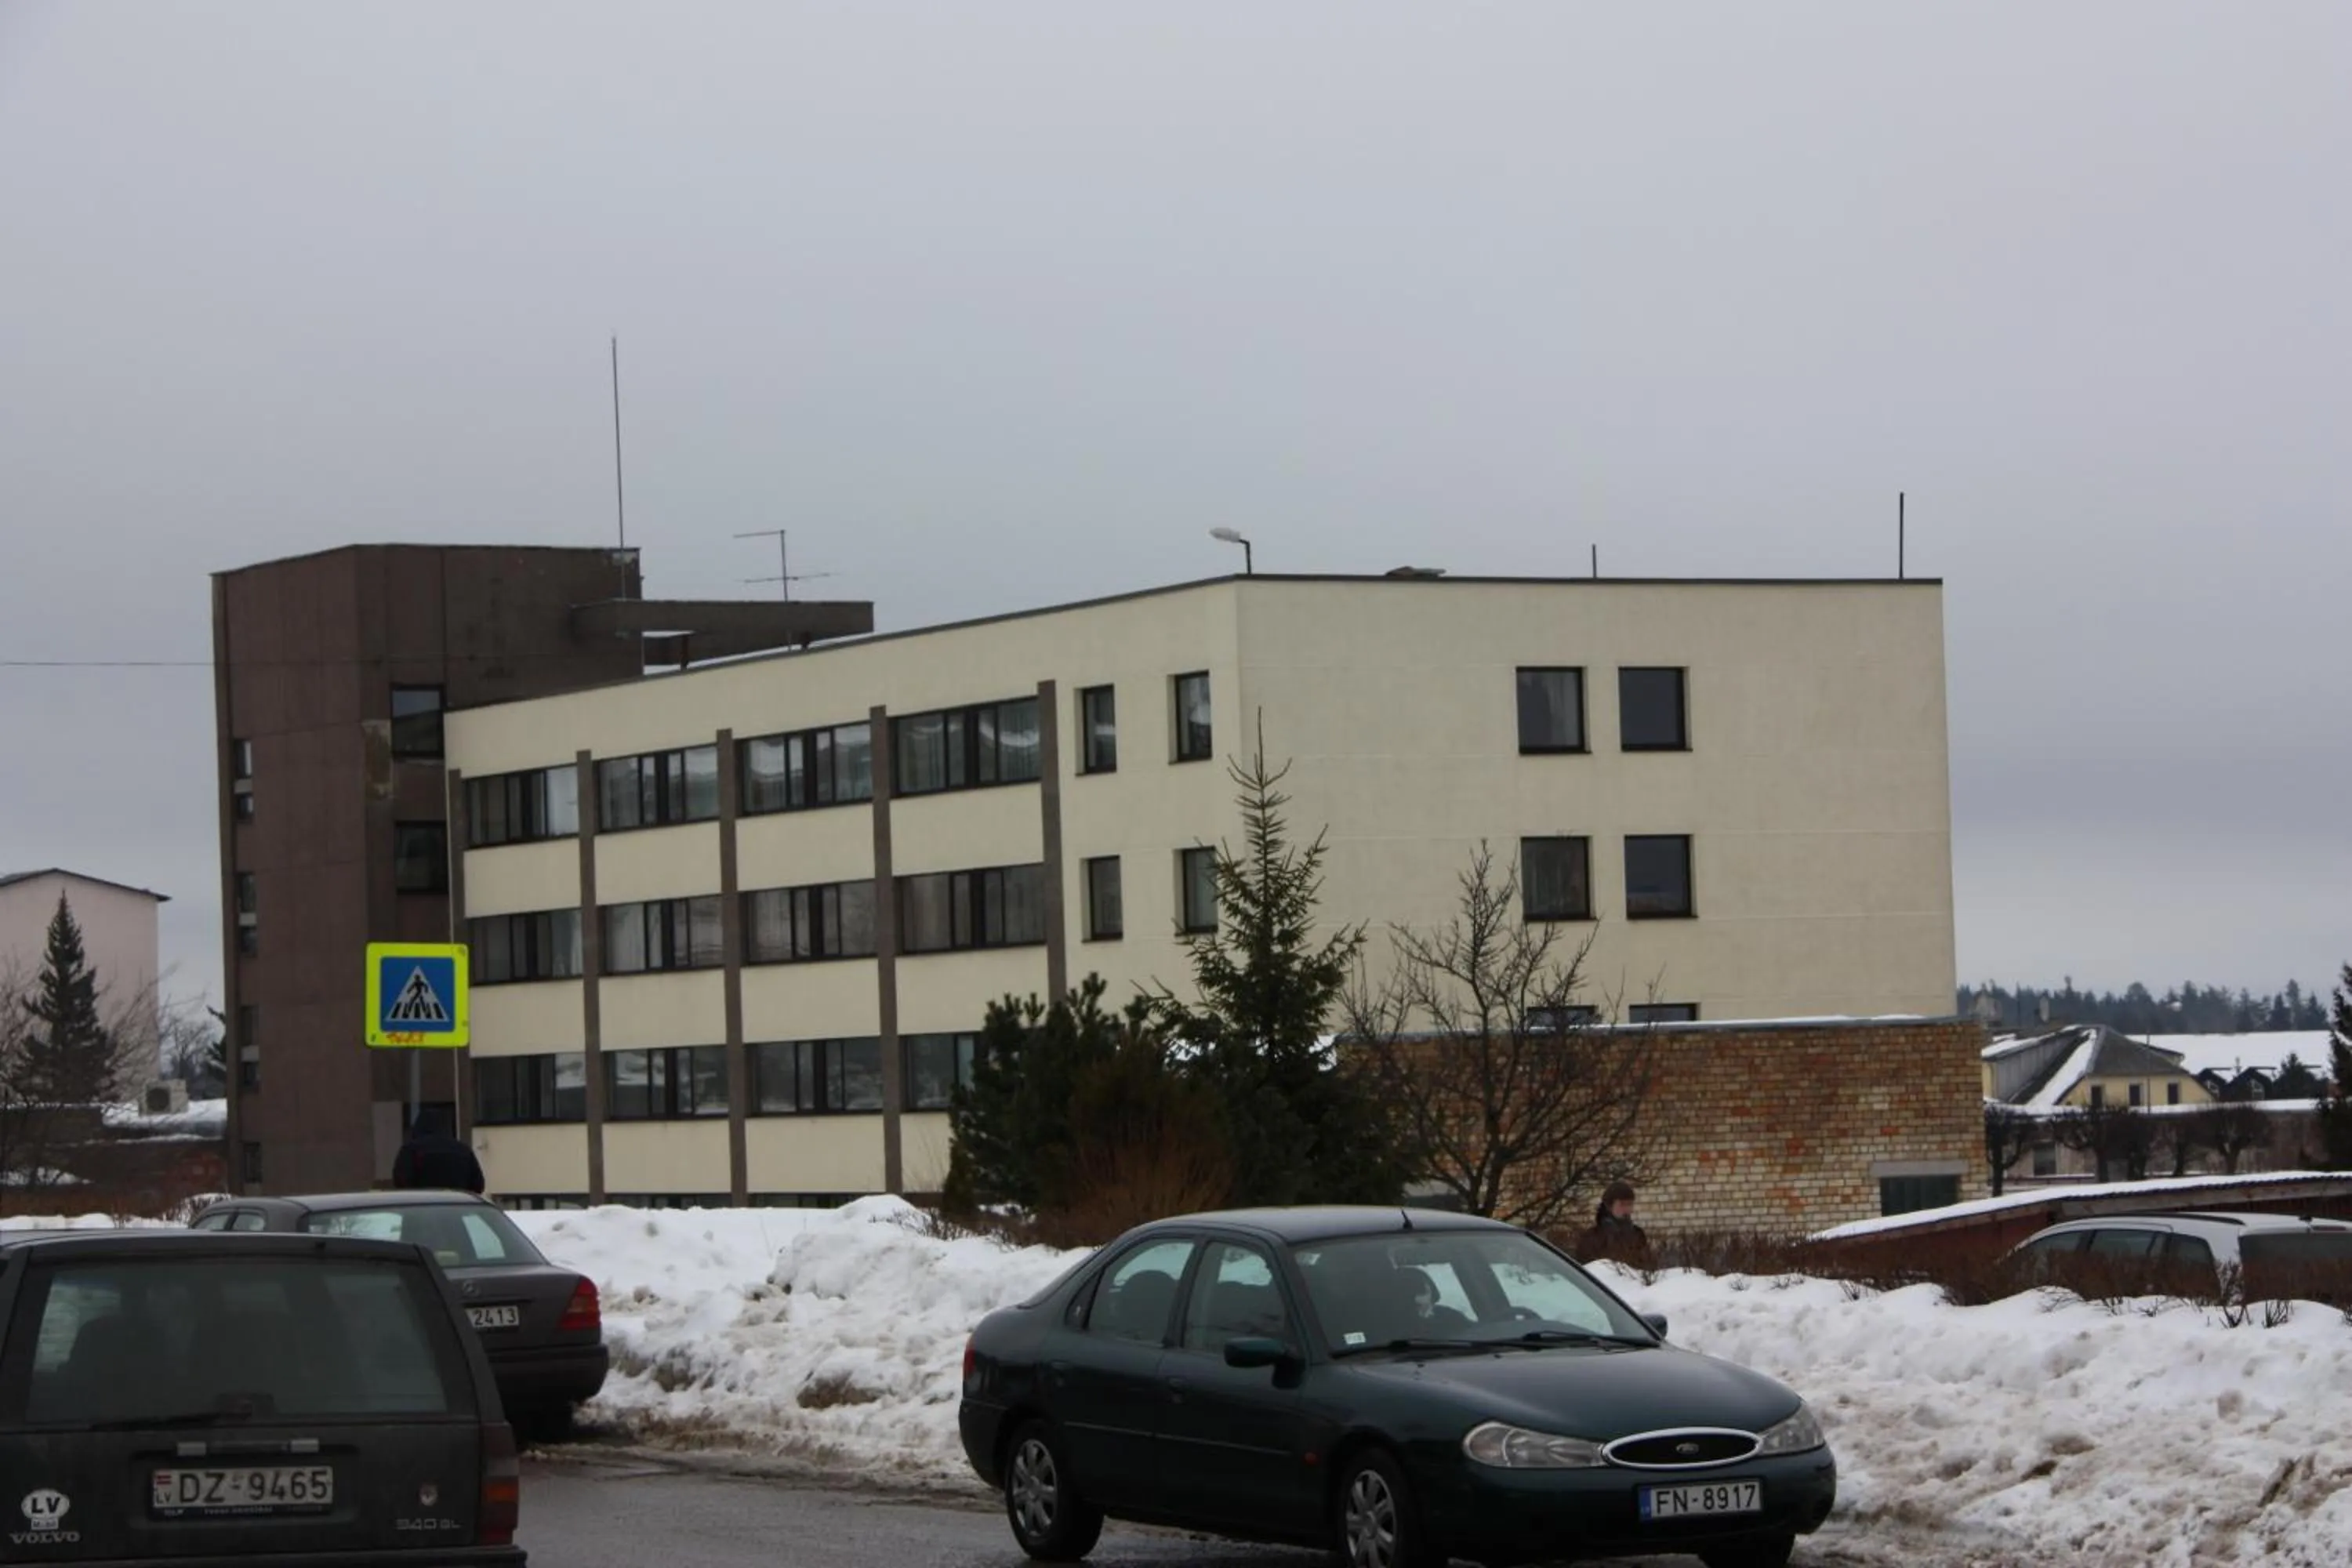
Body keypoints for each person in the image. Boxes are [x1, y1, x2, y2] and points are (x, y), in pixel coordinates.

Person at [390, 1108, 485, 1195]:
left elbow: (400, 1180)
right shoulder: (463, 1151)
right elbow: (478, 1185)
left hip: (421, 1206)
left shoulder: (411, 1149)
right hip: (455, 1206)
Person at [1573, 1181, 1652, 1267]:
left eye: (1630, 1204)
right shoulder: (1592, 1238)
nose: (1627, 1209)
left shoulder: (1637, 1234)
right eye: (1622, 1204)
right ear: (1609, 1206)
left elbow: (1646, 1267)